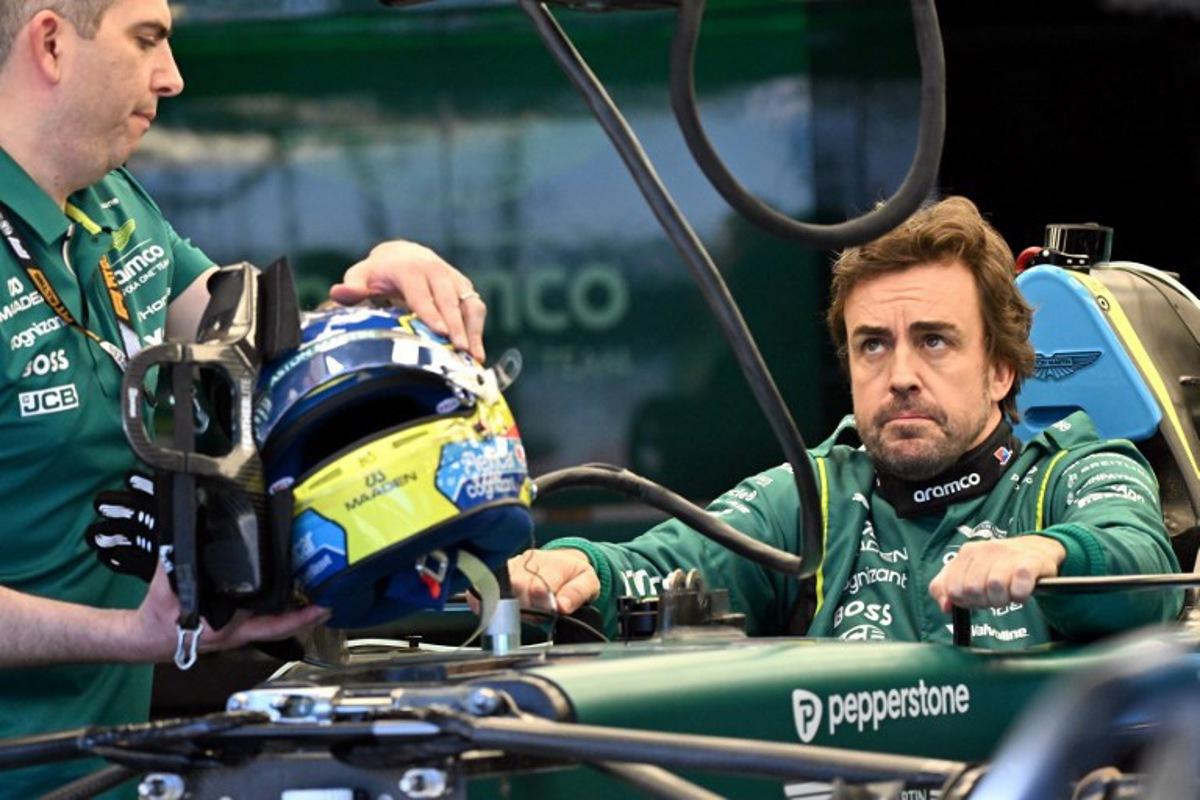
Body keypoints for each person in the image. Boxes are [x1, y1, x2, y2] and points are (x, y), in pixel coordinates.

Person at [0, 1, 485, 796]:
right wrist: (132, 634)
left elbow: (253, 345)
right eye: (148, 39)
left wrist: (375, 292)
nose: (173, 75)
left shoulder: (110, 202)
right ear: (52, 43)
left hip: (115, 771)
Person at [508, 196, 1184, 644]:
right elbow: (664, 565)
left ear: (1002, 369)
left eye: (935, 340)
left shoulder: (1078, 471)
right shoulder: (813, 498)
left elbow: (1141, 571)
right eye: (874, 344)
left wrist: (1044, 555)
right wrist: (581, 569)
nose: (900, 376)